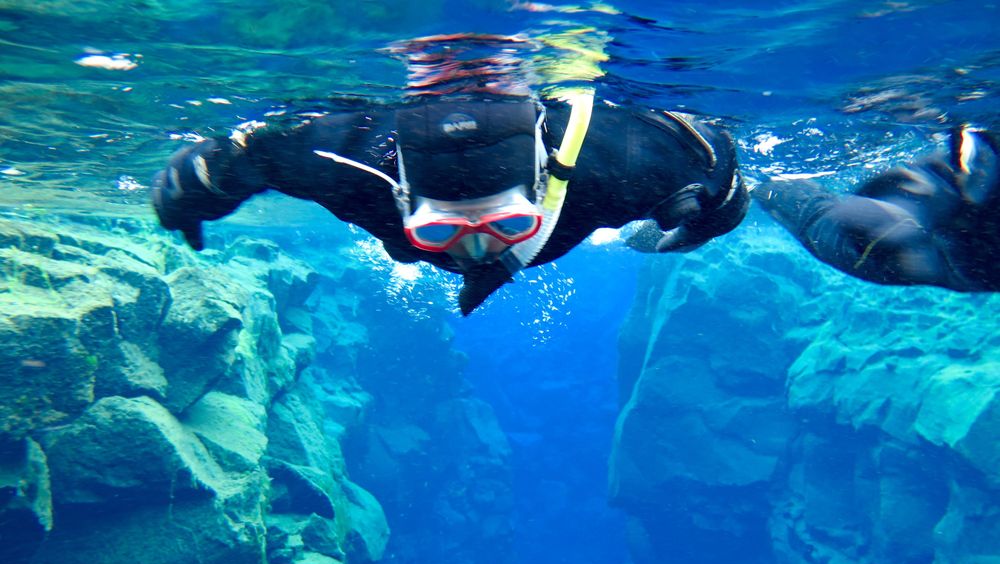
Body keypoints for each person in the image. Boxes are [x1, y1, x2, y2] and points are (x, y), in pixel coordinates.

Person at [152, 92, 749, 315]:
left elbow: (718, 172)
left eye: (507, 223)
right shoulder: (346, 162)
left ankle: (641, 241)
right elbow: (235, 159)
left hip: (586, 197)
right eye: (442, 233)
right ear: (402, 195)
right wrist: (186, 196)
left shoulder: (615, 161)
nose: (476, 247)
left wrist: (690, 229)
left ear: (543, 189)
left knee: (672, 227)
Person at [752, 125, 1000, 292]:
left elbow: (847, 217)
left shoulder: (910, 251)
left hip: (910, 250)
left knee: (812, 211)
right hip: (943, 226)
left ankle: (747, 183)